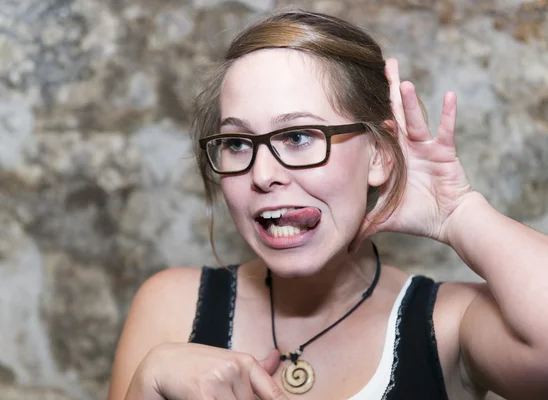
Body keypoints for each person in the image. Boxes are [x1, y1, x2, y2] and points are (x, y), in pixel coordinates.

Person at [107, 9, 548, 400]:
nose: (262, 175)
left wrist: (457, 212)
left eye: (298, 137)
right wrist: (147, 384)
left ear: (378, 155)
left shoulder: (447, 324)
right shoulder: (170, 307)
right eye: (238, 143)